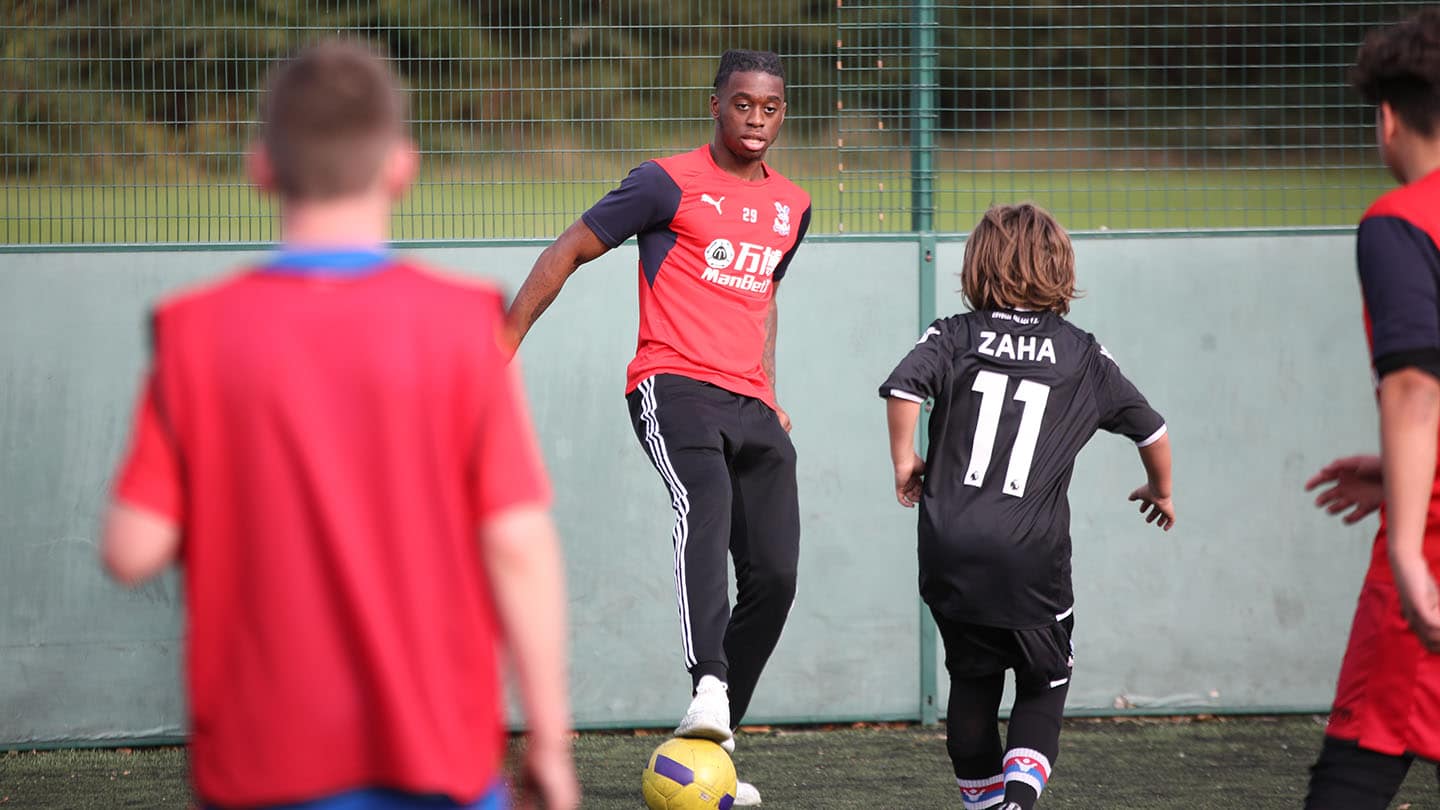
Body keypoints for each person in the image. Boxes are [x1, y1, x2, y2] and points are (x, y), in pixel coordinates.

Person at [100, 40, 578, 810]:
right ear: (402, 168)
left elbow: (131, 550)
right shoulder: (463, 327)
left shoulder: (193, 333)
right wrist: (550, 741)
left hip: (262, 767)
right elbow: (519, 543)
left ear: (261, 168)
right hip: (440, 761)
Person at [503, 48, 812, 805]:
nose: (756, 120)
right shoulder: (663, 182)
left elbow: (764, 297)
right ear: (716, 105)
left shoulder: (793, 206)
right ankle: (708, 683)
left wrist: (771, 389)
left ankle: (714, 742)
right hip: (671, 384)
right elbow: (569, 249)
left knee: (775, 576)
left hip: (751, 402)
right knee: (705, 505)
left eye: (770, 108)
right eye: (743, 104)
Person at [878, 203, 1175, 810]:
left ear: (976, 266)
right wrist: (1160, 488)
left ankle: (987, 804)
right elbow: (1152, 429)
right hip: (1031, 558)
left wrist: (905, 460)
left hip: (950, 548)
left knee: (972, 677)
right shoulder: (1081, 354)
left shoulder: (953, 335)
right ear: (1061, 269)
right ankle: (1016, 801)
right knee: (1044, 682)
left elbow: (904, 387)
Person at [1302, 9, 1440, 808]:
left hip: (1433, 547)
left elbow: (1417, 386)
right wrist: (1399, 470)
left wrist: (1410, 553)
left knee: (1360, 758)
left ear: (1387, 118)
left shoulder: (1400, 224)